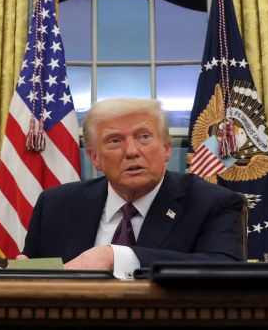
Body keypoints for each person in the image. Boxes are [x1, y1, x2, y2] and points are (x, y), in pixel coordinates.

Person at [20, 98, 243, 275]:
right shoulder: (56, 205)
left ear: (166, 149)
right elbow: (36, 274)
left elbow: (225, 268)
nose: (131, 151)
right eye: (114, 140)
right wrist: (23, 273)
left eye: (143, 137)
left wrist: (116, 257)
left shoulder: (210, 202)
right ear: (95, 158)